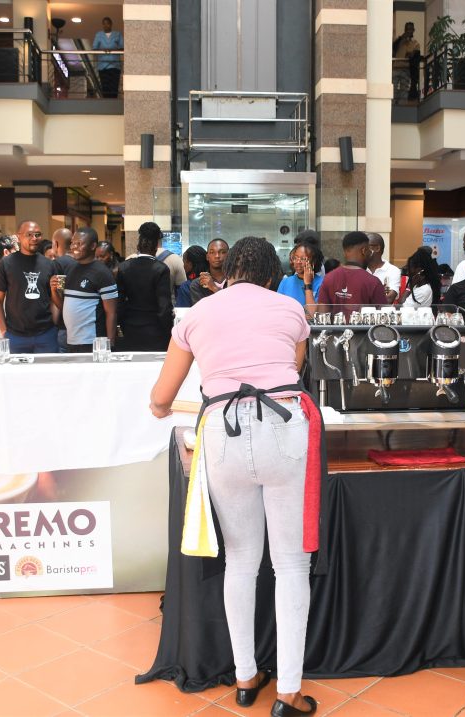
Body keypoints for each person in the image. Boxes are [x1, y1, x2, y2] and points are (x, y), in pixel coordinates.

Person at [148, 237, 318, 717]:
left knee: (242, 560)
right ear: (270, 275)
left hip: (221, 432)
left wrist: (160, 406)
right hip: (284, 427)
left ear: (231, 273)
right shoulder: (289, 309)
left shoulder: (197, 315)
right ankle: (288, 692)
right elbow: (295, 369)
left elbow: (163, 397)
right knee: (290, 567)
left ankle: (245, 678)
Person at [0, 221, 58, 353]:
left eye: (38, 234)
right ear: (19, 236)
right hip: (15, 335)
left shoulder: (49, 264)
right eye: (29, 234)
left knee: (48, 373)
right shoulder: (7, 263)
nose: (34, 238)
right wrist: (4, 331)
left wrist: (54, 324)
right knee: (16, 373)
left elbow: (55, 300)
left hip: (46, 334)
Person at [50, 227, 118, 352]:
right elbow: (63, 306)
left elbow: (111, 312)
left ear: (93, 246)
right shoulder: (70, 269)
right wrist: (53, 291)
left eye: (79, 243)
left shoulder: (102, 273)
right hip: (71, 340)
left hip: (93, 341)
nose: (74, 247)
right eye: (72, 243)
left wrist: (110, 344)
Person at [115, 222, 172, 351]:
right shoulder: (161, 269)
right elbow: (164, 307)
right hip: (155, 330)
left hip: (129, 329)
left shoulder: (124, 267)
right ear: (156, 246)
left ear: (138, 244)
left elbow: (119, 303)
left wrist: (121, 325)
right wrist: (168, 330)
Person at [317, 231, 386, 314]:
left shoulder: (328, 278)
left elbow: (322, 315)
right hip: (364, 327)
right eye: (369, 251)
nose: (370, 254)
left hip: (333, 327)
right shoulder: (373, 282)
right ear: (363, 251)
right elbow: (384, 317)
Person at [278, 243, 323, 313]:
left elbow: (313, 314)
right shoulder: (285, 282)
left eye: (303, 259)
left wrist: (308, 284)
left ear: (313, 261)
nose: (298, 262)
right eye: (295, 258)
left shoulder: (322, 283)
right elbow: (279, 310)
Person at [151, 226, 187, 305]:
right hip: (167, 309)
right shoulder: (175, 259)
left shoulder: (131, 259)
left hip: (139, 313)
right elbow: (181, 290)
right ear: (161, 239)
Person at [190, 238, 229, 305]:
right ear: (207, 257)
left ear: (229, 255)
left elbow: (237, 305)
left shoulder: (237, 281)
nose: (217, 256)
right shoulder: (198, 284)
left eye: (222, 252)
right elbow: (202, 310)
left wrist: (214, 288)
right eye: (212, 252)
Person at [93, 17, 123, 98]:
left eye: (108, 23)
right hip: (103, 66)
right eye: (104, 23)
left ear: (111, 24)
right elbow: (94, 48)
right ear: (102, 25)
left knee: (114, 87)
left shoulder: (117, 34)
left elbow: (122, 48)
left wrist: (113, 50)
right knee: (105, 87)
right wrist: (102, 50)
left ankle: (113, 106)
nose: (106, 25)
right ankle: (107, 104)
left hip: (115, 66)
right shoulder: (98, 35)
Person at [366, 233, 401, 303]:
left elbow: (388, 300)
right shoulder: (360, 269)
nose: (363, 250)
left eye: (366, 246)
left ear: (377, 248)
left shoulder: (393, 271)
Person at [392, 21, 421, 102]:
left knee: (404, 89)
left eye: (411, 29)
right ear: (405, 30)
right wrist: (402, 38)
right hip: (395, 68)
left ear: (413, 30)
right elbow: (393, 48)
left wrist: (412, 54)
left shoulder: (415, 43)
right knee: (393, 88)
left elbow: (415, 55)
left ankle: (402, 105)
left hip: (406, 69)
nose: (409, 31)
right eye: (407, 29)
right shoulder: (399, 40)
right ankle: (393, 105)